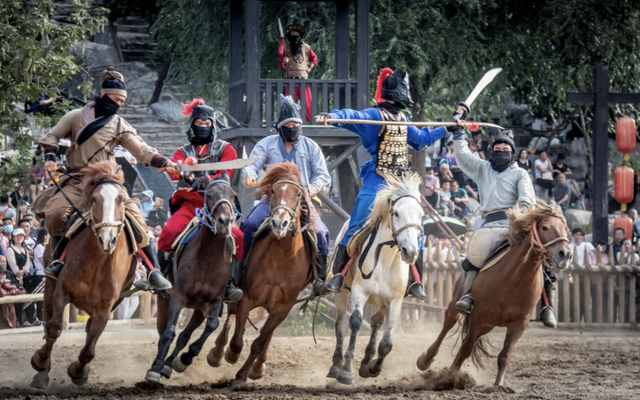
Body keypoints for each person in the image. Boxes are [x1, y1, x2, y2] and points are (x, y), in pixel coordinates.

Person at [31, 68, 175, 292]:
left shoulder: (119, 124)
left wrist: (164, 163)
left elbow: (141, 151)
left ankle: (153, 271)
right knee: (56, 215)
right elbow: (51, 136)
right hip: (77, 179)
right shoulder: (75, 116)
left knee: (139, 223)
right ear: (104, 95)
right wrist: (50, 157)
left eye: (122, 101)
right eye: (116, 99)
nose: (119, 104)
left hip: (108, 181)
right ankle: (58, 260)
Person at [318, 67, 448, 299]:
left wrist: (445, 128)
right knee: (357, 221)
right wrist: (335, 116)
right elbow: (354, 116)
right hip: (377, 181)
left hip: (401, 182)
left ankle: (415, 281)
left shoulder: (404, 119)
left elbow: (420, 141)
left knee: (415, 223)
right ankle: (337, 275)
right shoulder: (375, 115)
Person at [449, 124, 541, 319]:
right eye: (497, 150)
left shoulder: (520, 174)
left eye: (505, 151)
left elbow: (526, 200)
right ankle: (467, 296)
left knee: (541, 253)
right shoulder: (483, 169)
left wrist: (520, 217)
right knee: (474, 256)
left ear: (512, 154)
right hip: (488, 226)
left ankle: (546, 305)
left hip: (514, 225)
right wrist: (458, 134)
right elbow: (464, 157)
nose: (500, 153)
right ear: (491, 152)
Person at [242, 95, 331, 296]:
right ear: (280, 127)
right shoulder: (266, 144)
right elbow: (251, 166)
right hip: (272, 199)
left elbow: (323, 175)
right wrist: (249, 177)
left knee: (322, 233)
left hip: (303, 199)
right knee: (248, 226)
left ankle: (320, 279)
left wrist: (310, 189)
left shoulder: (310, 146)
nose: (293, 127)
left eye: (296, 124)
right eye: (289, 124)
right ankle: (239, 273)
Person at [158, 98, 243, 302]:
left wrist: (208, 179)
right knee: (168, 232)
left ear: (213, 125)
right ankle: (162, 277)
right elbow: (173, 172)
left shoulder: (225, 149)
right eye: (199, 123)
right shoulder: (183, 151)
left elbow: (227, 172)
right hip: (192, 203)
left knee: (238, 237)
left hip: (217, 204)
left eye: (207, 124)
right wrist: (182, 171)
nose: (203, 127)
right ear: (193, 125)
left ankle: (231, 283)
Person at [277, 23, 318, 121]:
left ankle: (309, 122)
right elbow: (280, 55)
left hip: (303, 79)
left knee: (307, 104)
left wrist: (310, 68)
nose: (294, 36)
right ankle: (288, 121)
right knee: (289, 103)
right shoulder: (287, 48)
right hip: (290, 80)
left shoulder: (306, 47)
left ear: (300, 36)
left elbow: (314, 58)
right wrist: (282, 42)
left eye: (296, 35)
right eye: (292, 35)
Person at [6, 228, 35, 326]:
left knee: (30, 294)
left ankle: (31, 318)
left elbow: (28, 263)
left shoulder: (25, 249)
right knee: (19, 296)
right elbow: (13, 266)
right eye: (17, 235)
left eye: (21, 235)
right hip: (13, 277)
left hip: (24, 277)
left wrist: (23, 271)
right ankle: (20, 320)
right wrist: (19, 272)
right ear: (13, 237)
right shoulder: (10, 249)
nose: (19, 237)